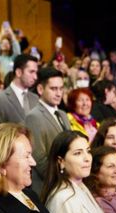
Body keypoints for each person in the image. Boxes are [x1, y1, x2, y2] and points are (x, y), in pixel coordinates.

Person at [25, 67, 71, 195]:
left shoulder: (62, 114)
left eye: (61, 88)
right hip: (48, 187)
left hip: (66, 183)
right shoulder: (33, 116)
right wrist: (62, 180)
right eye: (53, 89)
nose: (58, 93)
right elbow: (39, 158)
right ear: (40, 89)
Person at [0, 54, 39, 125]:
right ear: (18, 72)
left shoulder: (35, 98)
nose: (35, 77)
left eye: (36, 72)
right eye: (31, 72)